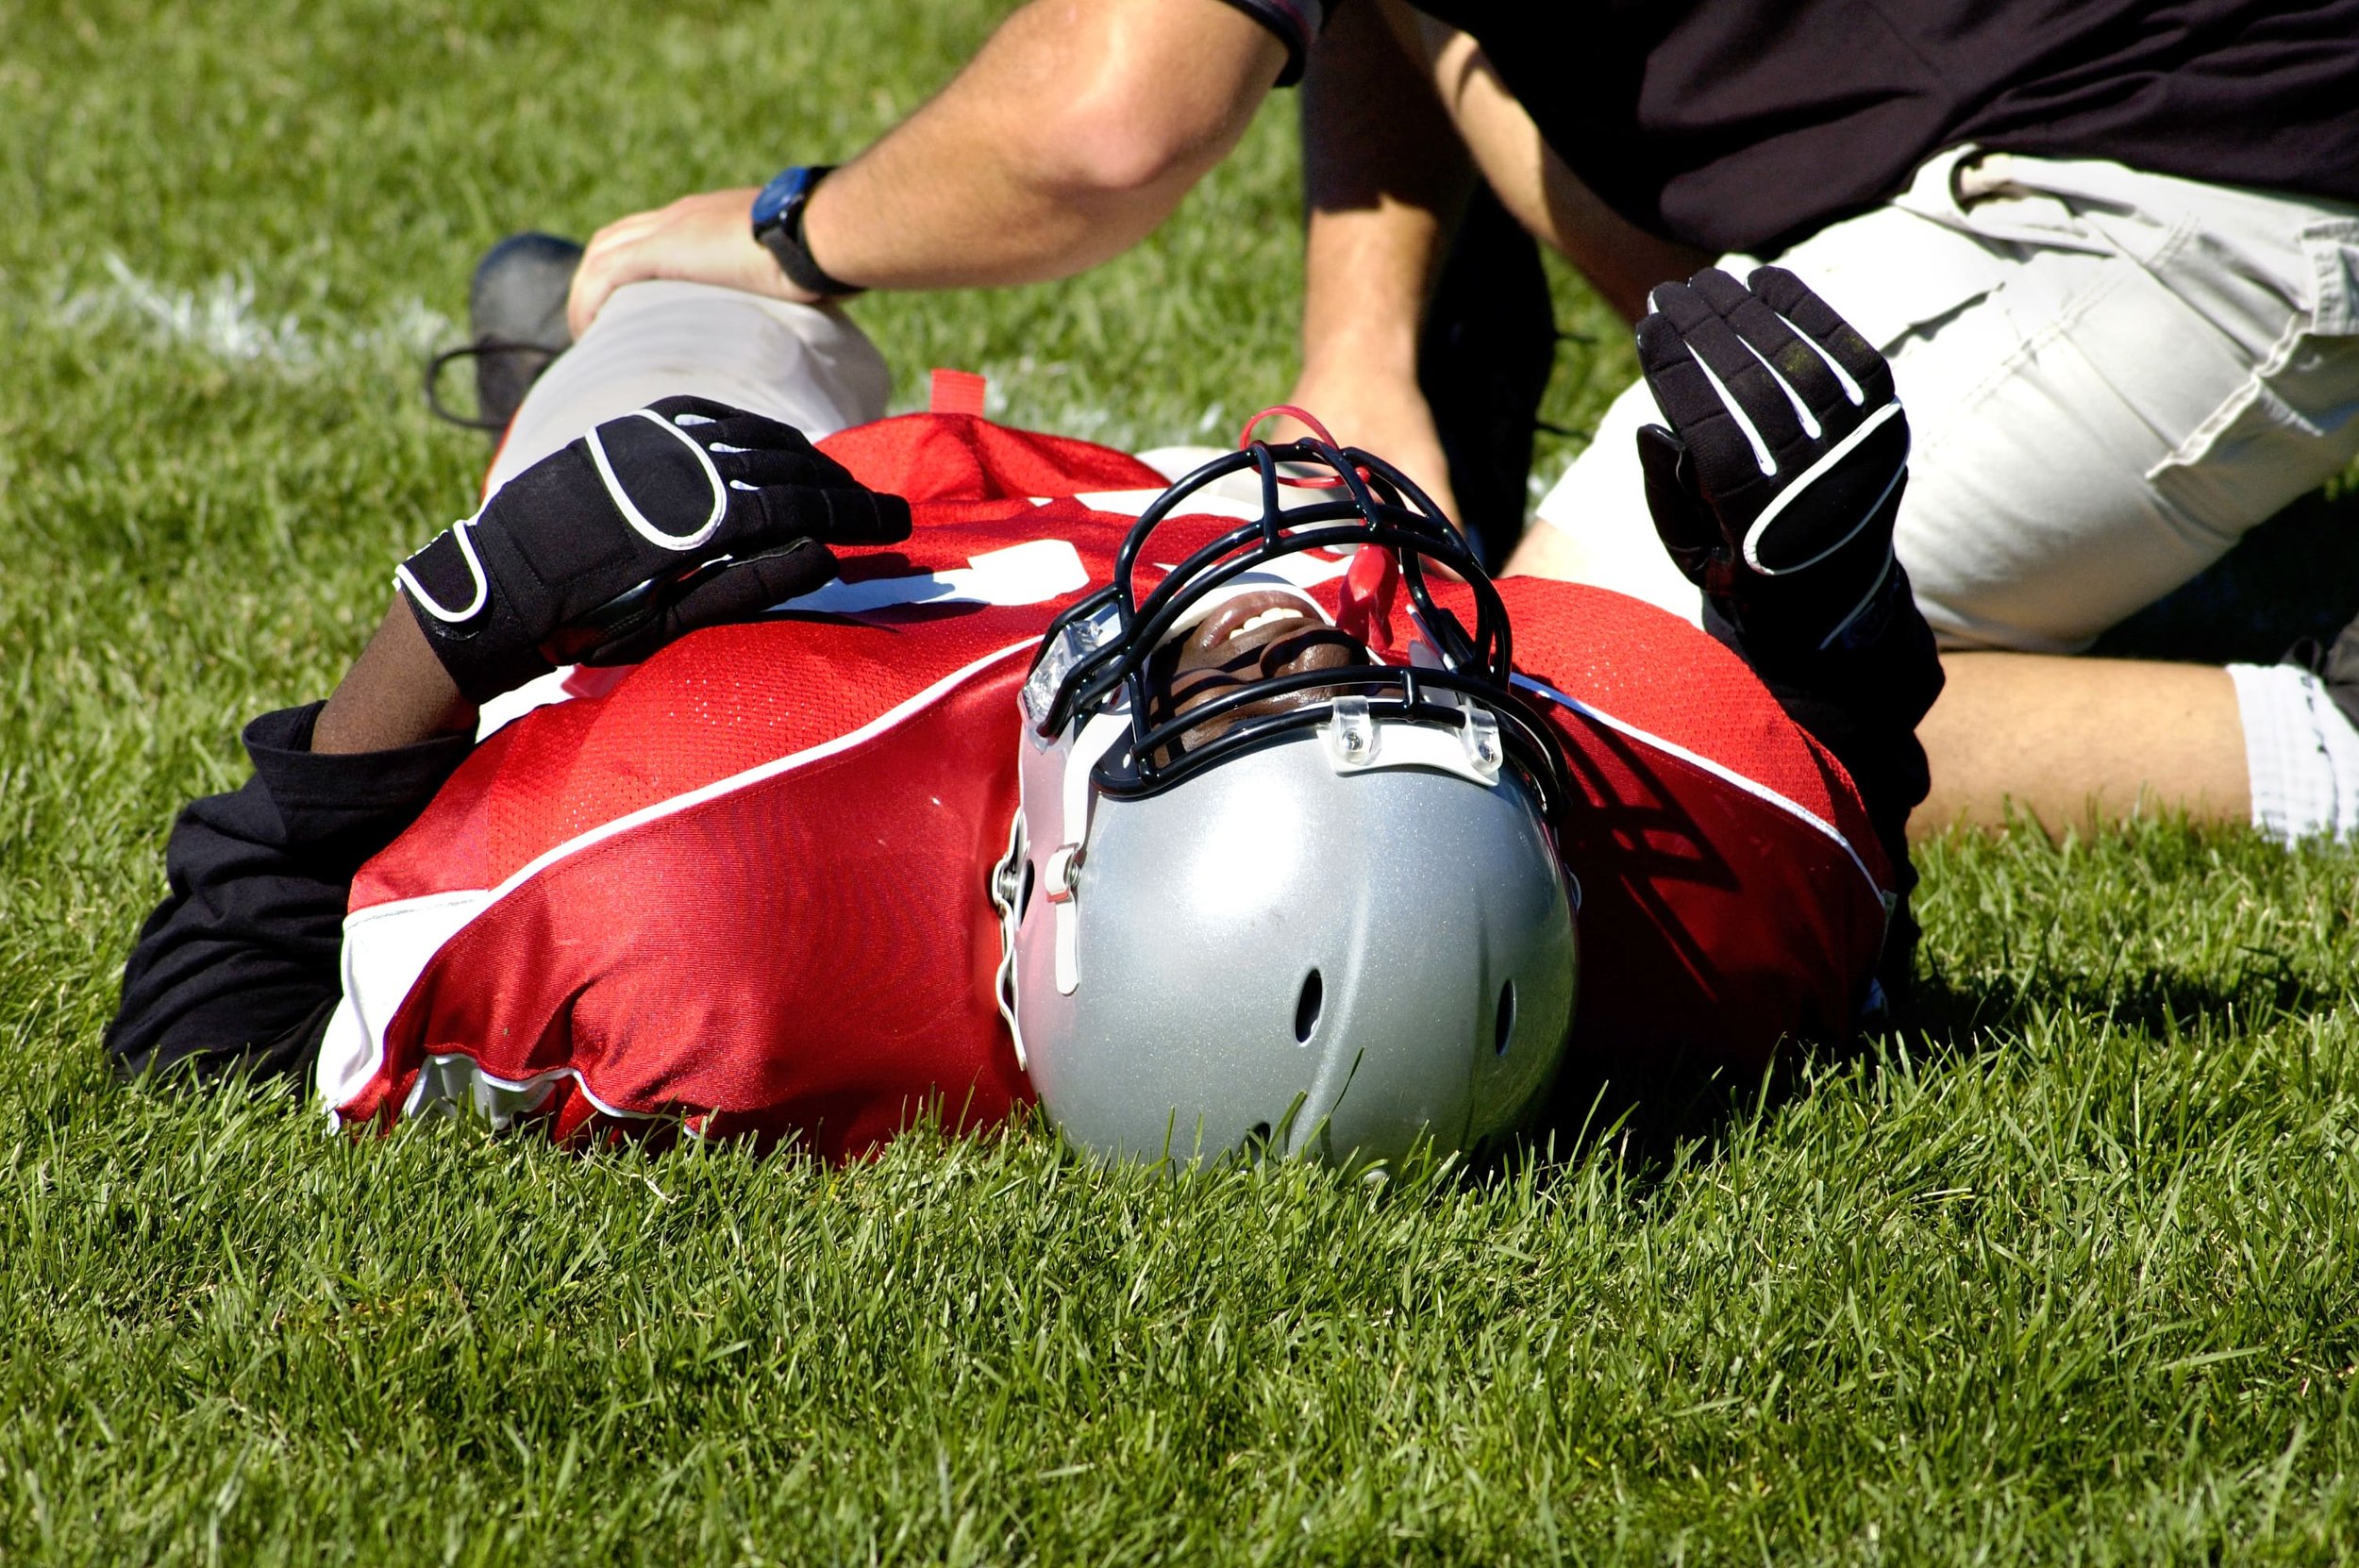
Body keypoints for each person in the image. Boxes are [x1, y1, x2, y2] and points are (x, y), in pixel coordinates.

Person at [109, 268, 1939, 1161]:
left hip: (804, 548)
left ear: (1052, 893)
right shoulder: (1571, 872)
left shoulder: (692, 886)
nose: (1316, 630)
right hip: (1141, 528)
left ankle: (597, 322)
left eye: (1236, 687)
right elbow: (1833, 877)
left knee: (713, 330)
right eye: (1372, 684)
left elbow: (207, 1033)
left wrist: (474, 605)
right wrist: (1831, 600)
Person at [521, 0, 2359, 845]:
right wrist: (1361, 356)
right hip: (2145, 142)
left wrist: (779, 233)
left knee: (1589, 709)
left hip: (2166, 186)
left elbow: (1100, 122)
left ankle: (2322, 747)